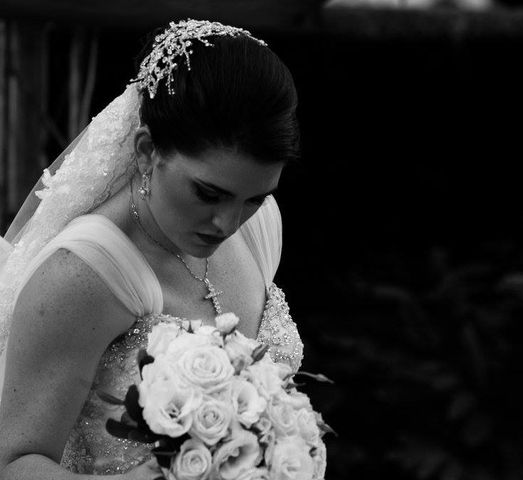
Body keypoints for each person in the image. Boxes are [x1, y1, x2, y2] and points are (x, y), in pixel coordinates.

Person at [0, 19, 303, 479]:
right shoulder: (84, 275)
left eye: (254, 197)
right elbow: (13, 463)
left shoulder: (259, 225)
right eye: (207, 193)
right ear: (146, 151)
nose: (228, 223)